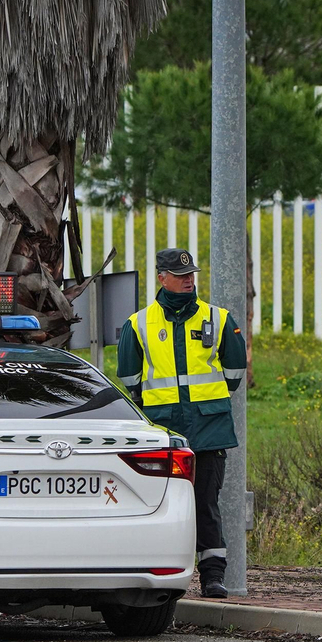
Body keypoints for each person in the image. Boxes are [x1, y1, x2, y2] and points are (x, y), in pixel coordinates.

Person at [117, 247, 247, 599]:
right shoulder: (139, 323)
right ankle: (153, 573)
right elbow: (129, 381)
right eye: (181, 275)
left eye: (191, 275)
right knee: (156, 502)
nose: (189, 280)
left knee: (205, 503)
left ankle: (213, 577)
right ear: (162, 278)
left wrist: (208, 402)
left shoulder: (217, 318)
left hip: (208, 429)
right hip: (163, 432)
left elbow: (235, 372)